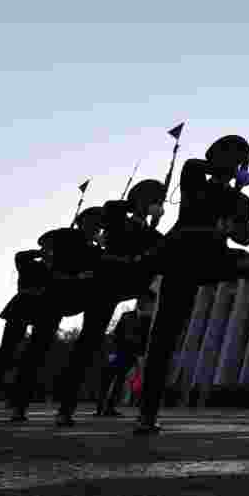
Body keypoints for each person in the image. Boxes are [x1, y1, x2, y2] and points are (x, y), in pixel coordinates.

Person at [133, 135, 249, 435]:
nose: (234, 161)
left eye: (240, 157)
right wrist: (225, 168)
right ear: (215, 157)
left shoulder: (240, 199)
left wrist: (235, 225)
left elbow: (246, 237)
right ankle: (147, 412)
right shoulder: (195, 178)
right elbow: (193, 163)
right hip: (183, 254)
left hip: (216, 256)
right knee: (164, 333)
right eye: (228, 154)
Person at [54, 181, 165, 426]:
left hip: (122, 289)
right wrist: (137, 205)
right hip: (103, 286)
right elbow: (111, 207)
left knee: (90, 344)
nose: (157, 204)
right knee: (88, 342)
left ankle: (70, 405)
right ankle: (66, 407)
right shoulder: (118, 217)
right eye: (155, 199)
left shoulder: (151, 233)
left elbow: (157, 254)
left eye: (158, 200)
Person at [5, 208, 105, 422]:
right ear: (82, 221)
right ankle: (19, 405)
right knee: (36, 351)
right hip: (52, 299)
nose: (97, 226)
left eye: (99, 222)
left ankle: (65, 409)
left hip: (80, 300)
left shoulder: (96, 250)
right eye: (93, 221)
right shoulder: (65, 236)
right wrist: (63, 267)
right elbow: (50, 258)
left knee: (81, 352)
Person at [0, 235, 58, 418]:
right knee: (5, 354)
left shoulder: (57, 269)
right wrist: (41, 252)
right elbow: (19, 255)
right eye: (47, 246)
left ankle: (19, 406)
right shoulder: (29, 264)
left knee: (33, 359)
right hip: (21, 306)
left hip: (44, 310)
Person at [96, 289, 156, 417]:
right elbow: (116, 333)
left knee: (120, 381)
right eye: (142, 299)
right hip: (119, 352)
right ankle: (100, 407)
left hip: (133, 355)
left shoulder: (149, 320)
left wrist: (141, 355)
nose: (144, 302)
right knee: (107, 378)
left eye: (148, 301)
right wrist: (112, 351)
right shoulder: (127, 315)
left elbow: (146, 340)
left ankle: (110, 407)